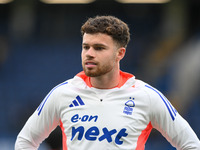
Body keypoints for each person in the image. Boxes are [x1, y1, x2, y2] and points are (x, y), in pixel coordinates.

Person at [15, 15, 200, 150]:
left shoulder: (146, 96)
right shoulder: (62, 94)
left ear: (120, 53)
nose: (89, 53)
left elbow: (191, 144)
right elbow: (25, 141)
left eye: (99, 48)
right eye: (85, 47)